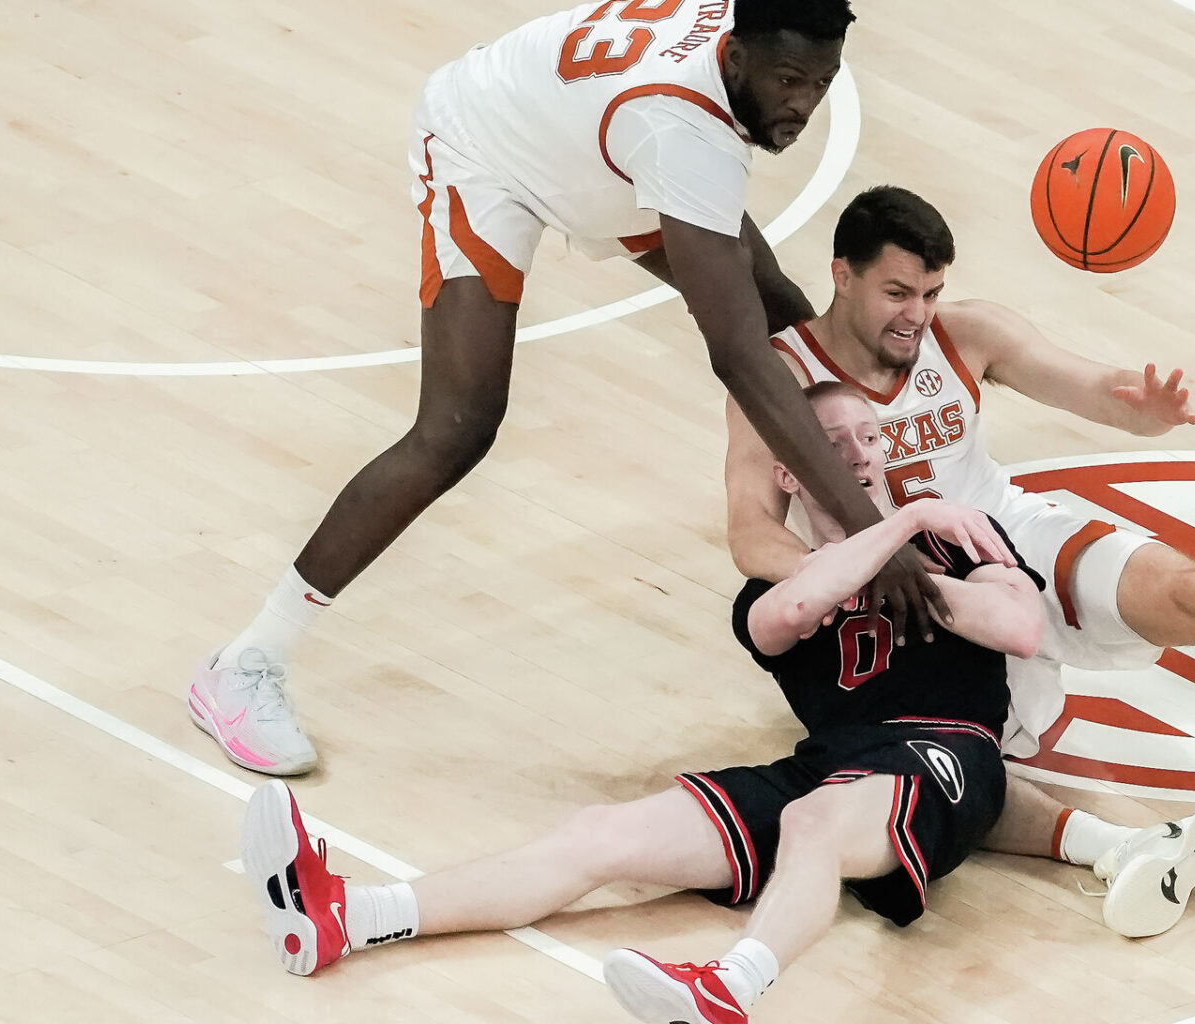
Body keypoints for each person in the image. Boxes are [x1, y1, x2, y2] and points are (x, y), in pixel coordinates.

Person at [240, 384, 1195, 1024]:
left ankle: (731, 988)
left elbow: (1013, 626)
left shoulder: (963, 543)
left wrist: (915, 531)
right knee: (602, 833)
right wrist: (900, 523)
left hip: (946, 755)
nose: (857, 458)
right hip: (835, 759)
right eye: (830, 444)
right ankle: (349, 914)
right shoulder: (772, 586)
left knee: (816, 820)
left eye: (867, 444)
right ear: (791, 467)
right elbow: (790, 610)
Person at [188, 0, 966, 777]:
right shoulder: (681, 131)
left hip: (596, 145)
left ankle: (874, 526)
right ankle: (249, 661)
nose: (802, 103)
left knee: (784, 314)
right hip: (490, 146)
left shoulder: (721, 71)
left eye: (822, 82)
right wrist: (871, 539)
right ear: (733, 56)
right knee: (460, 422)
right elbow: (733, 355)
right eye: (788, 78)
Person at [723, 186, 1195, 778]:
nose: (917, 315)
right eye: (898, 294)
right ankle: (1103, 844)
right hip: (908, 600)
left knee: (1194, 590)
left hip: (1005, 534)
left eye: (930, 294)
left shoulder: (968, 332)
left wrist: (1144, 410)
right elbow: (751, 531)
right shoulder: (778, 382)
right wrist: (859, 566)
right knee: (977, 768)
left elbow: (1092, 388)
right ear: (841, 276)